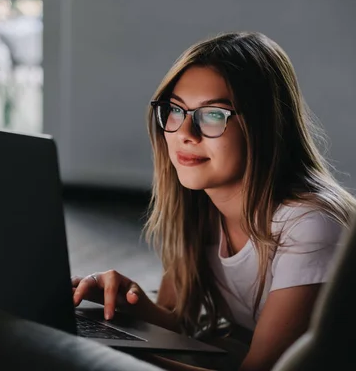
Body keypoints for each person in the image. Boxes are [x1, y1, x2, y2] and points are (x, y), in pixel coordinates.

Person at [71, 31, 356, 371]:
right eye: (175, 111)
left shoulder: (310, 225)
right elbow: (180, 326)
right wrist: (127, 302)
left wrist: (114, 354)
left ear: (263, 126)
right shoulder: (201, 209)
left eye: (213, 115)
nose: (185, 134)